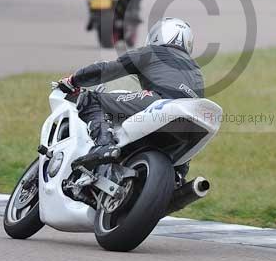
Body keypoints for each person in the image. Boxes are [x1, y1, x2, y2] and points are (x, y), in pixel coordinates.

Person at [58, 18, 204, 170]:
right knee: (179, 153)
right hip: (190, 121)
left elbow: (109, 69)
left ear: (156, 36)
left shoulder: (151, 52)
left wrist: (74, 80)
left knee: (89, 99)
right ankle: (178, 176)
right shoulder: (196, 69)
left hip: (161, 102)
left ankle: (104, 145)